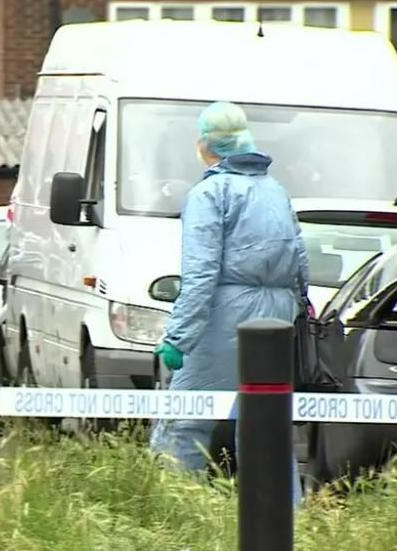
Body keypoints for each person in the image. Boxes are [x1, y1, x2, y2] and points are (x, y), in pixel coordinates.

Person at [149, 102, 309, 506]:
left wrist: (178, 339)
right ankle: (285, 520)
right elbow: (300, 262)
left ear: (208, 145)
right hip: (277, 318)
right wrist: (298, 311)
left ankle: (174, 511)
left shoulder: (210, 193)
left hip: (226, 317)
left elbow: (201, 274)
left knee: (185, 420)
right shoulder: (275, 191)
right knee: (265, 424)